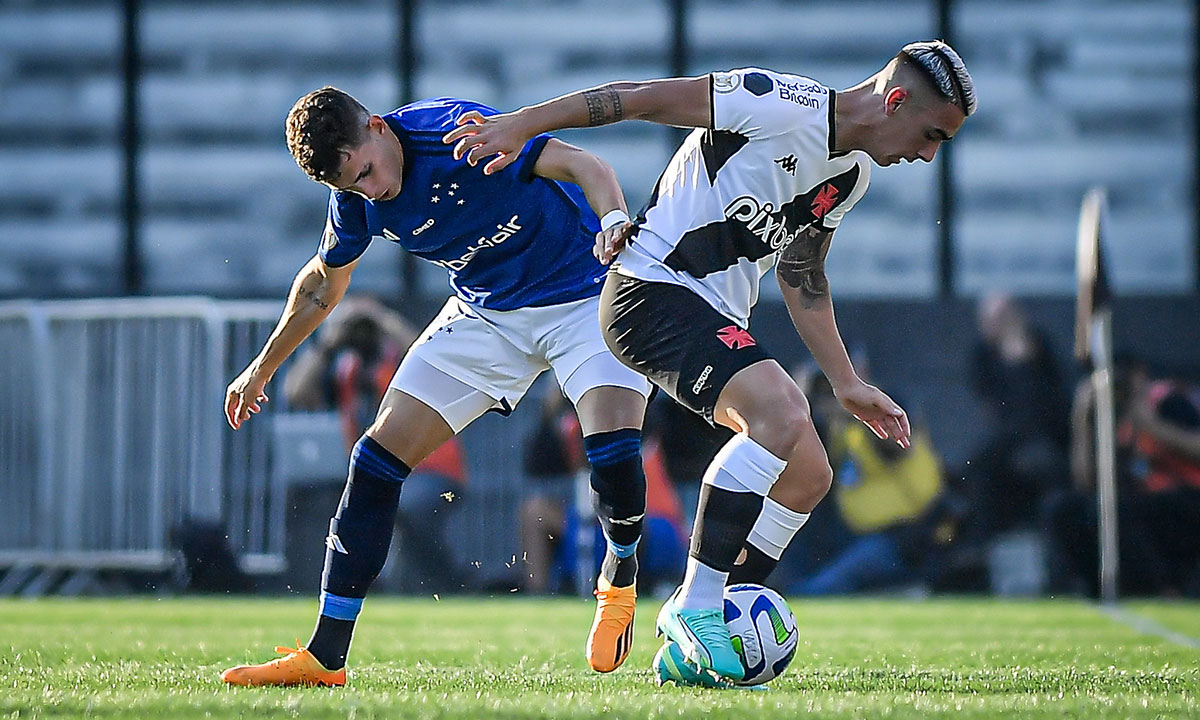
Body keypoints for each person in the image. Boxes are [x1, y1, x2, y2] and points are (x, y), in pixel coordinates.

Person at [445, 40, 975, 685]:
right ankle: (693, 608)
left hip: (713, 322)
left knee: (808, 473)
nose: (926, 155)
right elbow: (639, 100)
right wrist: (521, 125)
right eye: (930, 135)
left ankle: (712, 620)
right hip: (649, 292)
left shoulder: (851, 174)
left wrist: (847, 382)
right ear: (894, 102)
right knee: (779, 415)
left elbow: (802, 272)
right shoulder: (775, 101)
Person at [221, 87, 655, 687]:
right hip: (486, 315)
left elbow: (587, 165)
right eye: (351, 186)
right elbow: (324, 282)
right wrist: (261, 367)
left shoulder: (456, 136)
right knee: (374, 460)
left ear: (377, 127)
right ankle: (325, 657)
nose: (369, 191)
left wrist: (612, 223)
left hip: (583, 295)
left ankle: (621, 572)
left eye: (367, 172)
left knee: (611, 454)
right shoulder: (355, 198)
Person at [283, 295, 469, 594]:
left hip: (430, 469)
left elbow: (428, 353)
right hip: (371, 467)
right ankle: (338, 584)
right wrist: (329, 343)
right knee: (322, 503)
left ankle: (446, 585)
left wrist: (383, 320)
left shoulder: (404, 360)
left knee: (406, 506)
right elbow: (294, 390)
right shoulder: (344, 368)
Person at [1046, 359, 1200, 597]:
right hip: (1141, 504)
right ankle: (1095, 591)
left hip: (1185, 498)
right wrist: (1082, 422)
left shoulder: (1167, 401)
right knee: (1065, 508)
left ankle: (1163, 591)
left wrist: (1151, 425)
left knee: (1116, 509)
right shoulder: (1111, 416)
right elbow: (1085, 482)